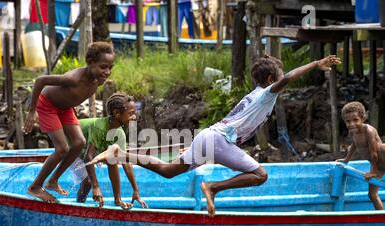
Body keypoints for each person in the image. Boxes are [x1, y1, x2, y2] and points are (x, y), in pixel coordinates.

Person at [88, 54, 341, 217]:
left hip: (209, 136)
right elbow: (289, 77)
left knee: (167, 171)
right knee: (260, 175)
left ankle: (121, 154)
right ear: (269, 79)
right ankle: (213, 188)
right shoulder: (266, 93)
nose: (281, 82)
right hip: (218, 140)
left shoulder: (251, 96)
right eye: (278, 77)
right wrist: (316, 64)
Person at [23, 42, 115, 203]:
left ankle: (53, 181)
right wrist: (32, 111)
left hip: (66, 108)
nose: (107, 72)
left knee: (79, 142)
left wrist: (73, 105)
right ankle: (35, 187)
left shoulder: (97, 80)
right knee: (62, 148)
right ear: (91, 62)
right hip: (48, 105)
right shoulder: (73, 78)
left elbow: (78, 94)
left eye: (110, 68)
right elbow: (40, 80)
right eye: (103, 67)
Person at [77, 92, 148, 210]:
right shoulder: (99, 126)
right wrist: (96, 187)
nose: (134, 117)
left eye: (134, 113)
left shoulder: (119, 133)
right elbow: (88, 157)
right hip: (72, 143)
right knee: (88, 182)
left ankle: (117, 200)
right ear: (116, 113)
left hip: (88, 148)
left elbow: (126, 162)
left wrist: (136, 191)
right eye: (130, 114)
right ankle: (78, 206)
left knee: (113, 160)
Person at [336, 101, 385, 210]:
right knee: (372, 195)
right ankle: (381, 218)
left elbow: (374, 153)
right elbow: (354, 145)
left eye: (355, 120)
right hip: (377, 165)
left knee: (382, 148)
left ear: (363, 119)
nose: (351, 124)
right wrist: (346, 159)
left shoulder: (369, 130)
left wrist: (373, 172)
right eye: (348, 121)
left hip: (381, 159)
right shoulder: (353, 131)